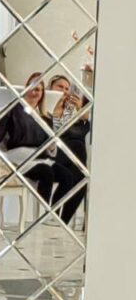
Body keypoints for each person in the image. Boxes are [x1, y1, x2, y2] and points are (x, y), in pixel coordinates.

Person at [0, 73, 59, 209]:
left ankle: (57, 215)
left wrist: (52, 147)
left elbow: (49, 147)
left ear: (42, 94)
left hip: (40, 157)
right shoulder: (13, 109)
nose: (34, 92)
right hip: (19, 157)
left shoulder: (46, 118)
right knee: (46, 172)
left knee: (67, 176)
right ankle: (44, 212)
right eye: (31, 88)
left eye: (38, 89)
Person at [46, 75, 90, 226]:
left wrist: (81, 113)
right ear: (50, 88)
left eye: (67, 88)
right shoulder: (44, 107)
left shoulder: (70, 111)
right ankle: (56, 216)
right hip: (49, 155)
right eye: (60, 87)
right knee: (77, 146)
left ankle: (61, 220)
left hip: (67, 159)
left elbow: (81, 132)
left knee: (81, 180)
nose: (64, 91)